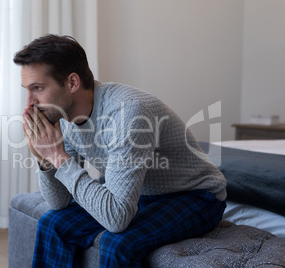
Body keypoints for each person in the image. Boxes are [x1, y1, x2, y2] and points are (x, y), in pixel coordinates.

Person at [14, 34, 227, 267]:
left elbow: (116, 219)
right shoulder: (63, 116)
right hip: (140, 194)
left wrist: (58, 156)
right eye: (27, 90)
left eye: (38, 88)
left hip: (195, 196)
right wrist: (44, 158)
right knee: (53, 223)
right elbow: (59, 202)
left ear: (72, 83)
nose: (29, 103)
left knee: (118, 244)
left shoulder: (129, 113)